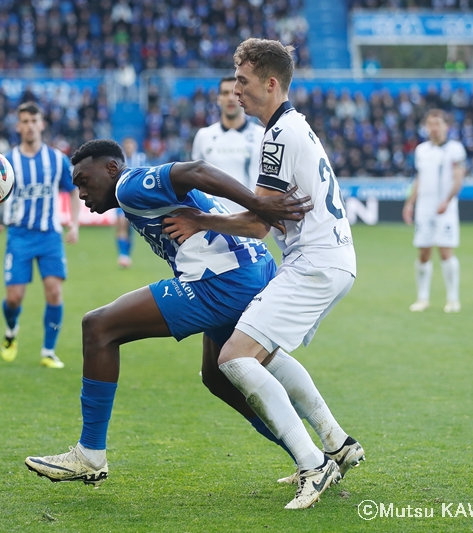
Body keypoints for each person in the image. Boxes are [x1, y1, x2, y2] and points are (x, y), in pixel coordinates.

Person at [23, 139, 313, 507]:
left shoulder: (129, 184)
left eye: (84, 180)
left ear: (111, 169)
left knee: (98, 327)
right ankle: (313, 459)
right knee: (217, 376)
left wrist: (258, 204)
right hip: (250, 271)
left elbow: (196, 170)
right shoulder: (133, 195)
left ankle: (89, 454)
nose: (80, 192)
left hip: (221, 283)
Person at [162, 38, 364, 509]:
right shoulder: (295, 127)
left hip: (314, 262)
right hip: (328, 258)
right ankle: (336, 441)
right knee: (260, 352)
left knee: (231, 359)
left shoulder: (276, 136)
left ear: (271, 84)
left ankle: (314, 465)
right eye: (234, 81)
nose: (236, 91)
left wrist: (199, 221)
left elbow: (256, 224)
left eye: (244, 82)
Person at [0, 102, 81, 368]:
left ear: (42, 124)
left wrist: (73, 223)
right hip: (19, 235)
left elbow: (72, 190)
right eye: (24, 121)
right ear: (18, 126)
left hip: (50, 235)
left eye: (33, 120)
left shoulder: (56, 159)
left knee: (54, 292)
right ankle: (11, 330)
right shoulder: (7, 161)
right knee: (14, 297)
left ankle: (48, 351)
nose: (29, 126)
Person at [403, 109, 465, 313]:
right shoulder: (421, 150)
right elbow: (419, 179)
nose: (434, 127)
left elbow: (458, 179)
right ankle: (422, 298)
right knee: (423, 251)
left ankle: (453, 299)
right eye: (430, 123)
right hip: (424, 208)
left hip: (445, 208)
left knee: (446, 251)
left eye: (438, 123)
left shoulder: (455, 149)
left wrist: (447, 201)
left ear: (446, 126)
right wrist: (410, 203)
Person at [191, 76, 263, 213]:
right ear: (218, 99)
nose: (230, 98)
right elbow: (195, 181)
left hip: (249, 220)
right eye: (225, 93)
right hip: (212, 220)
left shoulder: (262, 136)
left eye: (235, 93)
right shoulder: (203, 136)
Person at [113, 137, 147, 268]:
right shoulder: (118, 161)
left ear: (135, 147)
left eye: (131, 146)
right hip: (120, 198)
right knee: (121, 223)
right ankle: (122, 255)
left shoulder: (141, 159)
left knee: (131, 227)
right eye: (126, 146)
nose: (129, 148)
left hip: (136, 199)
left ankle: (127, 254)